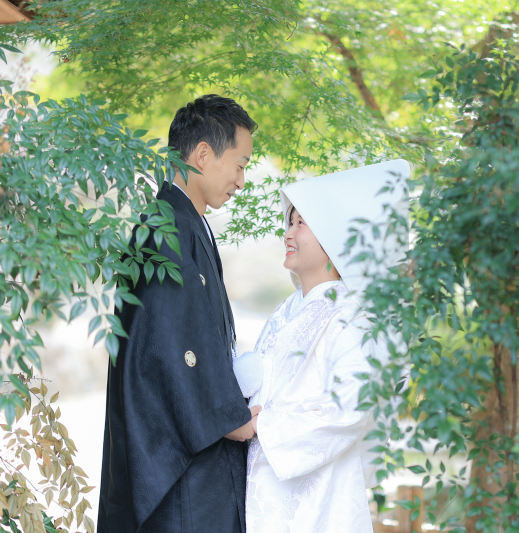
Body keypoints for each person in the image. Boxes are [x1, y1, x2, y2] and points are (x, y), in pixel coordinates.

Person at [99, 95, 260, 533]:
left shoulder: (182, 222)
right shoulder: (167, 228)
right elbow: (171, 345)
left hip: (190, 450)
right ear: (203, 155)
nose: (242, 180)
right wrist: (233, 420)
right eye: (240, 164)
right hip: (181, 463)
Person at [233, 160, 410, 533]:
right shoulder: (287, 310)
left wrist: (262, 425)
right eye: (289, 223)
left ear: (335, 240)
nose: (288, 233)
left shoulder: (354, 316)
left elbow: (353, 404)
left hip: (320, 496)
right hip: (263, 486)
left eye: (301, 223)